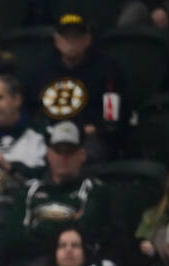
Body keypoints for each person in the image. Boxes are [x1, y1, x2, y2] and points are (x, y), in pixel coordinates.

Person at [2, 121, 111, 266]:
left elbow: (89, 234)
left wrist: (38, 230)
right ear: (48, 154)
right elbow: (12, 239)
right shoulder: (30, 191)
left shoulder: (95, 191)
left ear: (82, 154)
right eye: (58, 151)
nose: (63, 157)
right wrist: (66, 227)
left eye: (70, 151)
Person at [24, 12, 128, 162]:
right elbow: (31, 110)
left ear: (88, 40)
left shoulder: (107, 69)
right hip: (49, 137)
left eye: (77, 37)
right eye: (66, 37)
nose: (71, 42)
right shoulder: (41, 71)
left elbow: (111, 118)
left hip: (90, 138)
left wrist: (92, 130)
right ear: (57, 40)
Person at [0, 74, 47, 209]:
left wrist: (11, 167)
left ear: (17, 100)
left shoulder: (42, 136)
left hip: (29, 209)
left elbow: (50, 178)